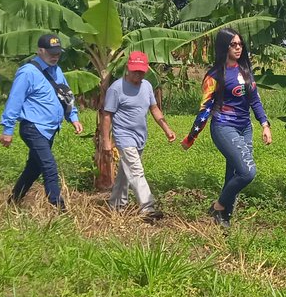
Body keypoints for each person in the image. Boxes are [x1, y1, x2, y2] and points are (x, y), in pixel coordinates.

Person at [182, 28, 272, 227]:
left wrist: (265, 124)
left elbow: (255, 100)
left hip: (245, 127)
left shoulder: (245, 70)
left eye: (240, 44)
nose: (238, 48)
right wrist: (191, 137)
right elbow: (205, 109)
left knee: (233, 174)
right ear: (224, 46)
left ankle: (224, 221)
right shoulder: (214, 76)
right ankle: (218, 206)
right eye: (234, 44)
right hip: (224, 126)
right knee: (247, 172)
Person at [0, 34, 83, 208]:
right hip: (33, 127)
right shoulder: (27, 72)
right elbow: (15, 101)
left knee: (33, 169)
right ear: (40, 51)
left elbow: (65, 95)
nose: (55, 56)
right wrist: (8, 130)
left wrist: (72, 117)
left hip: (50, 129)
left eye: (58, 53)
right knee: (49, 166)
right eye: (51, 53)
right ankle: (58, 207)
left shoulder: (57, 70)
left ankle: (12, 202)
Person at [103, 51, 176, 220]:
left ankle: (116, 205)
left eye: (141, 71)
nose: (138, 75)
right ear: (128, 68)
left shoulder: (147, 86)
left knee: (125, 172)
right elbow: (107, 115)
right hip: (123, 136)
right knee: (136, 170)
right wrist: (107, 141)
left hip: (140, 136)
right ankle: (147, 207)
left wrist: (167, 128)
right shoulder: (116, 88)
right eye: (135, 71)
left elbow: (154, 108)